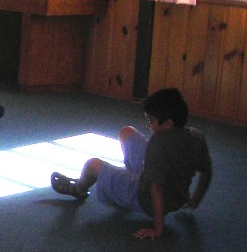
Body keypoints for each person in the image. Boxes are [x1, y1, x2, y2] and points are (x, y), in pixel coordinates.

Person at [50, 87, 212, 240]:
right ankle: (123, 181)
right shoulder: (196, 136)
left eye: (151, 121)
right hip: (177, 195)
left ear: (168, 123)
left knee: (92, 165)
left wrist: (157, 229)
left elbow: (156, 188)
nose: (148, 125)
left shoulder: (157, 144)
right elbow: (207, 170)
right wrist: (196, 198)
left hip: (145, 198)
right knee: (126, 132)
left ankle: (78, 189)